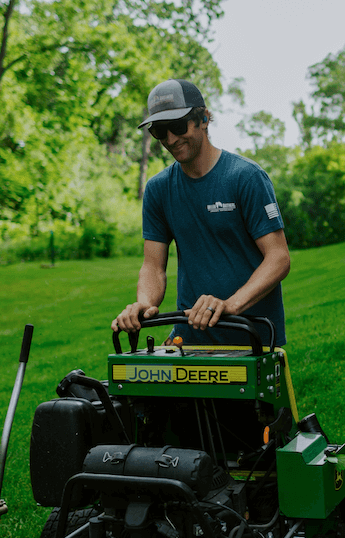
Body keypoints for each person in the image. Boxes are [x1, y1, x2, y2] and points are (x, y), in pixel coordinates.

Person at [111, 78, 290, 348]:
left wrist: (230, 305)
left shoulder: (245, 177)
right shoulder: (159, 189)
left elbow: (278, 258)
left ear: (204, 119)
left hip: (252, 340)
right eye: (160, 131)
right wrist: (144, 304)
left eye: (178, 126)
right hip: (189, 339)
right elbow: (153, 266)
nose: (170, 139)